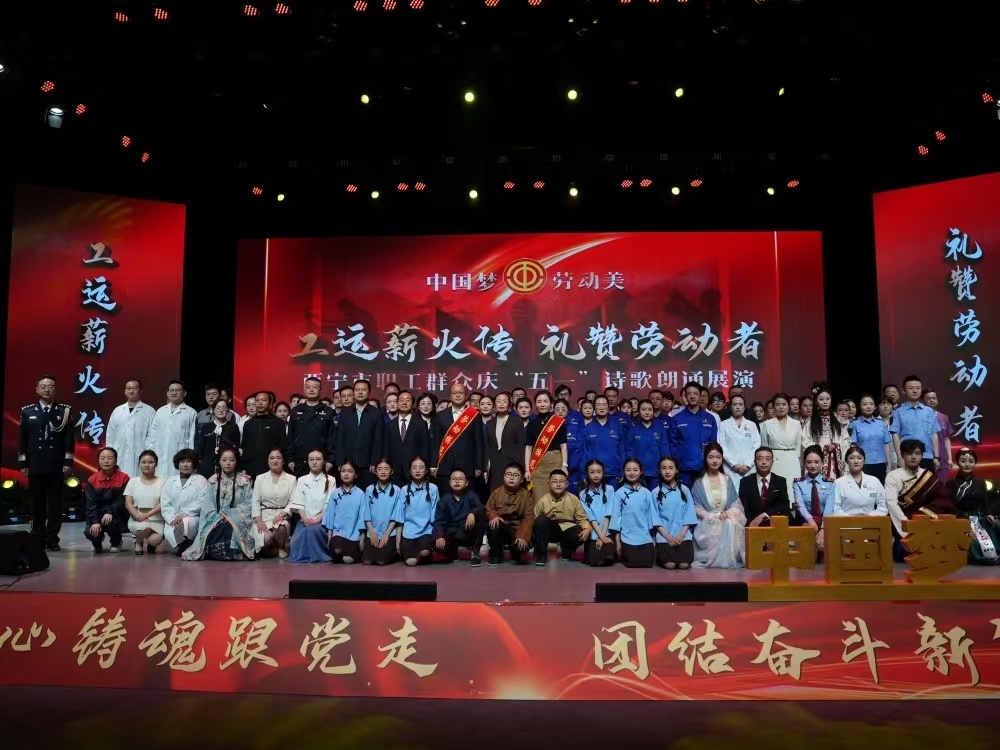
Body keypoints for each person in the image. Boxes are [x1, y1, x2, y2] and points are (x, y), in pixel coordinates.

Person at [18, 375, 75, 552]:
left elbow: (69, 438)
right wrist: (23, 463)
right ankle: (37, 536)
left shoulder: (64, 411)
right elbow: (22, 439)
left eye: (50, 386)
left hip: (56, 463)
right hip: (35, 463)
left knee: (55, 504)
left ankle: (52, 538)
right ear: (37, 390)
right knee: (37, 502)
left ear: (55, 390)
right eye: (43, 386)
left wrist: (68, 461)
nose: (47, 389)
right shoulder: (27, 412)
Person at [182, 446, 256, 561]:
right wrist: (218, 517)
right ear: (219, 462)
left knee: (229, 526)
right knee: (215, 527)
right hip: (215, 519)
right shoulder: (213, 481)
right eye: (224, 460)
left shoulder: (244, 481)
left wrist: (230, 515)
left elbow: (249, 504)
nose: (228, 463)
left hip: (238, 521)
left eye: (232, 460)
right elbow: (207, 506)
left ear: (237, 461)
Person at [884, 439, 957, 555]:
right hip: (901, 522)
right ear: (902, 455)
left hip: (926, 520)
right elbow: (892, 504)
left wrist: (923, 517)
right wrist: (907, 528)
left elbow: (942, 500)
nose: (913, 457)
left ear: (922, 456)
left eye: (917, 453)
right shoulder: (893, 476)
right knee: (903, 550)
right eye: (909, 453)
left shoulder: (928, 476)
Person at [690, 447, 745, 569]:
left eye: (718, 457)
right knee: (716, 527)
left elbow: (735, 503)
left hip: (725, 516)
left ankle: (729, 559)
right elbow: (696, 507)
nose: (715, 461)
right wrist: (712, 516)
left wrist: (728, 513)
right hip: (707, 519)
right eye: (711, 457)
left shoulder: (727, 479)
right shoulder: (699, 482)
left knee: (731, 523)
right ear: (705, 459)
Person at [948, 448, 1000, 564]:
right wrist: (963, 523)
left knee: (996, 525)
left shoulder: (980, 483)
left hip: (979, 518)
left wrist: (989, 513)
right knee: (974, 539)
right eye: (963, 461)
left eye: (971, 461)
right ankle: (986, 557)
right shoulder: (951, 484)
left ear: (975, 463)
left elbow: (986, 502)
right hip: (961, 519)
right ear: (957, 463)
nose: (967, 464)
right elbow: (951, 507)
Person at [611, 458, 665, 568]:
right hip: (627, 538)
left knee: (647, 564)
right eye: (628, 470)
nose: (632, 473)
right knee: (632, 564)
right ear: (624, 472)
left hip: (645, 538)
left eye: (635, 470)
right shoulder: (618, 494)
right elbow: (616, 519)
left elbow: (651, 517)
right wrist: (618, 542)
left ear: (641, 472)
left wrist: (653, 539)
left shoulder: (647, 493)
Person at [531, 469, 590, 565]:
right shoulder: (543, 501)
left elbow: (582, 518)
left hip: (567, 529)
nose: (558, 484)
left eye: (561, 481)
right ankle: (541, 554)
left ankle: (567, 550)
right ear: (549, 484)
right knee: (541, 521)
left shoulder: (573, 499)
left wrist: (587, 528)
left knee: (581, 532)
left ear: (567, 484)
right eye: (554, 482)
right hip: (550, 531)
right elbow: (535, 521)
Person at [288, 450, 337, 563]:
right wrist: (305, 518)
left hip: (323, 520)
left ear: (324, 462)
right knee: (294, 542)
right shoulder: (302, 480)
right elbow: (299, 502)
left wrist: (318, 519)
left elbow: (329, 504)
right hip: (305, 520)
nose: (314, 462)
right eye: (311, 459)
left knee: (312, 531)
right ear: (308, 461)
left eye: (318, 459)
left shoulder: (331, 480)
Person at [335, 380, 384, 490]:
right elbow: (340, 439)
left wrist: (375, 462)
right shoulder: (345, 412)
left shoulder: (376, 413)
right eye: (357, 390)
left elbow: (378, 439)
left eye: (363, 390)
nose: (360, 392)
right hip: (348, 465)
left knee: (368, 494)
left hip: (368, 466)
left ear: (369, 392)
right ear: (354, 392)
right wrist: (340, 462)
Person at [435, 384, 484, 494]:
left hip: (468, 464)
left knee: (467, 498)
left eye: (461, 393)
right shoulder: (440, 415)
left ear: (466, 396)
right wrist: (434, 465)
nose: (458, 395)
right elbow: (436, 442)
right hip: (445, 464)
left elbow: (479, 443)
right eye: (455, 393)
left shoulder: (474, 415)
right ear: (450, 396)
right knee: (445, 498)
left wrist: (479, 466)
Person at [651, 456, 699, 569]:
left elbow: (689, 514)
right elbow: (655, 518)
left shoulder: (685, 490)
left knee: (684, 565)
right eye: (664, 468)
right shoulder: (655, 492)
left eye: (671, 468)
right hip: (664, 536)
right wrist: (668, 537)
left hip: (683, 536)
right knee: (670, 565)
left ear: (676, 470)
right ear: (660, 471)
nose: (667, 471)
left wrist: (681, 535)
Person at [160, 448, 210, 554]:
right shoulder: (170, 481)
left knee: (186, 524)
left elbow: (202, 503)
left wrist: (182, 515)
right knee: (173, 531)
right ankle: (184, 546)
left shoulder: (201, 480)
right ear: (178, 464)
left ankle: (186, 546)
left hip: (193, 517)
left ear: (194, 463)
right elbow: (165, 503)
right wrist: (173, 518)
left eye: (188, 461)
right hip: (173, 519)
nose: (185, 465)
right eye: (182, 462)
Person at [433, 469, 487, 566]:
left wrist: (472, 513)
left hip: (467, 530)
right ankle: (452, 553)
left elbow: (480, 507)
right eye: (454, 479)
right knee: (437, 543)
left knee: (481, 519)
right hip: (452, 533)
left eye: (460, 479)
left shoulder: (471, 495)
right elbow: (439, 521)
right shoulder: (445, 500)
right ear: (449, 482)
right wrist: (440, 536)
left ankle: (475, 554)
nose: (457, 481)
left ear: (466, 483)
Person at [793, 445, 840, 553]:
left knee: (822, 545)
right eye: (809, 462)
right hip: (805, 520)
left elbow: (829, 508)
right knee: (807, 546)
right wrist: (810, 521)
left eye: (816, 462)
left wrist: (823, 528)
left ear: (822, 462)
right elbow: (800, 506)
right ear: (804, 463)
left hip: (825, 521)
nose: (813, 465)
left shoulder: (830, 483)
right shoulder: (798, 483)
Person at [485, 462, 534, 566]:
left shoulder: (526, 495)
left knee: (519, 549)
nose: (511, 478)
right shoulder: (496, 493)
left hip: (517, 529)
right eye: (509, 474)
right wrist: (494, 516)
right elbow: (489, 509)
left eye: (515, 475)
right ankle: (495, 554)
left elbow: (529, 517)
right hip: (501, 527)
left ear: (521, 479)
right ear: (504, 476)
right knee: (493, 524)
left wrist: (522, 535)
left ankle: (515, 552)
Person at [287, 377, 338, 476]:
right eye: (308, 387)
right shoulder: (295, 411)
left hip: (322, 461)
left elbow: (332, 438)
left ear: (321, 390)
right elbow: (290, 438)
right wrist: (290, 459)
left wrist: (330, 460)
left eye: (315, 387)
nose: (311, 390)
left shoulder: (328, 411)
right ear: (304, 390)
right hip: (299, 461)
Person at [890, 375, 941, 474]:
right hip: (907, 457)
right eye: (911, 388)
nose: (915, 391)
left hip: (927, 456)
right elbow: (895, 435)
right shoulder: (897, 412)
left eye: (918, 388)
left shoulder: (929, 411)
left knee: (928, 483)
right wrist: (899, 457)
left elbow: (934, 434)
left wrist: (936, 457)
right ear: (903, 391)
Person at [83, 447, 130, 553]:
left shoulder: (124, 478)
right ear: (98, 460)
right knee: (90, 532)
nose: (106, 461)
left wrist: (110, 512)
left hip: (116, 514)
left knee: (110, 522)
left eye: (110, 458)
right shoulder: (92, 479)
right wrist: (95, 522)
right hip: (98, 513)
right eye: (102, 458)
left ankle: (116, 542)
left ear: (116, 460)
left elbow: (122, 499)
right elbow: (91, 503)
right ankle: (97, 542)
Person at [106, 379, 156, 478]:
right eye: (128, 388)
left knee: (138, 483)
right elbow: (110, 435)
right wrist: (110, 455)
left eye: (134, 388)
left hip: (140, 457)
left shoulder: (149, 411)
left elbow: (153, 436)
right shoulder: (117, 411)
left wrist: (148, 456)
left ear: (141, 391)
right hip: (119, 456)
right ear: (125, 391)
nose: (131, 391)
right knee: (119, 482)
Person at [524, 391, 569, 501]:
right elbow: (528, 447)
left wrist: (564, 466)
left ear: (551, 404)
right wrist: (527, 470)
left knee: (557, 499)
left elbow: (563, 445)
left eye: (545, 401)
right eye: (539, 402)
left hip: (555, 463)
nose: (542, 404)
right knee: (538, 500)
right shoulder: (532, 423)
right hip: (538, 465)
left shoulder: (558, 422)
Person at [147, 380, 198, 478]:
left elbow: (192, 439)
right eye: (171, 390)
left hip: (181, 459)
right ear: (167, 393)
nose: (174, 393)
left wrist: (189, 459)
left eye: (177, 390)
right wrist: (152, 453)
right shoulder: (160, 411)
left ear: (184, 393)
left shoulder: (191, 413)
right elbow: (152, 435)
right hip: (160, 458)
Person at [252, 448, 296, 558]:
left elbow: (293, 501)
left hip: (281, 516)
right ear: (268, 461)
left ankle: (281, 547)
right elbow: (255, 501)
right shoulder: (260, 478)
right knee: (267, 538)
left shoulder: (291, 479)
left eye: (278, 458)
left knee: (281, 528)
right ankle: (272, 549)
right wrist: (259, 521)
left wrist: (282, 514)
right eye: (271, 458)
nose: (275, 461)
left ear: (283, 461)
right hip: (264, 517)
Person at [673, 381, 719, 487]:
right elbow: (673, 443)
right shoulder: (677, 418)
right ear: (685, 396)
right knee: (685, 495)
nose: (692, 396)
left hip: (704, 467)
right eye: (689, 394)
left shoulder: (710, 418)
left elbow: (713, 444)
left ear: (700, 395)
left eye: (695, 393)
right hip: (683, 468)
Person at [739, 447, 799, 528]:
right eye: (760, 459)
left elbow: (784, 506)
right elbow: (744, 508)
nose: (764, 462)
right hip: (753, 524)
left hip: (775, 523)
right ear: (755, 462)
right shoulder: (745, 482)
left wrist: (764, 515)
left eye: (767, 459)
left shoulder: (780, 481)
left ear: (772, 462)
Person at [398, 457, 440, 566]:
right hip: (408, 531)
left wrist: (437, 535)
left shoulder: (433, 488)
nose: (417, 470)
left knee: (425, 551)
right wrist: (398, 540)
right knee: (410, 562)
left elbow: (435, 514)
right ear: (410, 470)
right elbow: (400, 516)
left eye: (421, 467)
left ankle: (426, 552)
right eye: (414, 467)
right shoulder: (404, 490)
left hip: (426, 530)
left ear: (426, 470)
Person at [384, 390, 431, 487]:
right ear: (397, 403)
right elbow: (386, 449)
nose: (404, 403)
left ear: (412, 404)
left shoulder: (420, 424)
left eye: (408, 400)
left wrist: (424, 468)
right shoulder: (389, 425)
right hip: (394, 471)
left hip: (414, 471)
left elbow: (425, 448)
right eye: (401, 400)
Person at [325, 461, 367, 564]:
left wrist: (362, 537)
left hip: (354, 534)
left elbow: (362, 517)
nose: (346, 474)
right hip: (338, 533)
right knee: (337, 549)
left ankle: (349, 555)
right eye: (343, 471)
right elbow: (330, 515)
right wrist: (329, 537)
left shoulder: (361, 494)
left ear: (356, 475)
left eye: (350, 471)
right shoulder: (335, 493)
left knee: (347, 560)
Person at [124, 449, 166, 555]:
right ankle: (138, 541)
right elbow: (128, 503)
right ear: (139, 464)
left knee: (155, 540)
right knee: (144, 528)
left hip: (157, 519)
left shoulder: (163, 482)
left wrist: (148, 514)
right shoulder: (133, 481)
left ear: (156, 464)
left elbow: (163, 503)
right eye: (143, 462)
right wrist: (138, 516)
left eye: (150, 462)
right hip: (137, 518)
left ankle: (151, 545)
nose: (147, 465)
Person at [362, 459, 403, 565]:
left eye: (386, 469)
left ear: (391, 471)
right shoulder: (369, 489)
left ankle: (394, 555)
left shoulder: (397, 490)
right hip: (373, 532)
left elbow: (396, 515)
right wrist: (372, 533)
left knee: (381, 561)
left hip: (389, 532)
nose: (383, 472)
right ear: (375, 472)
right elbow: (366, 514)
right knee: (367, 561)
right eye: (380, 469)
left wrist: (386, 534)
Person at [241, 391, 288, 480]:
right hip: (251, 471)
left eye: (263, 400)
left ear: (270, 403)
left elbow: (283, 447)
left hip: (270, 470)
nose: (260, 403)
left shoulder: (278, 423)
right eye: (257, 400)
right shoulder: (248, 424)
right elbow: (244, 448)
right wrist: (243, 468)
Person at [583, 395, 628, 487]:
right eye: (598, 405)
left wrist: (622, 470)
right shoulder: (588, 428)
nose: (601, 407)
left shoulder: (617, 426)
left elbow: (622, 450)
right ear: (594, 408)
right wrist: (584, 473)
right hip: (594, 473)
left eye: (604, 405)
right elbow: (584, 452)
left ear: (608, 406)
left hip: (613, 472)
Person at [848, 394, 893, 484]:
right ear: (860, 407)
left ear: (875, 406)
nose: (868, 406)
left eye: (871, 404)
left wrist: (889, 464)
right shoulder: (854, 424)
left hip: (880, 463)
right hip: (863, 463)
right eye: (865, 404)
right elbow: (853, 445)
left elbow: (886, 444)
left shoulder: (881, 423)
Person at [580, 459, 617, 567]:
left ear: (603, 473)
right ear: (587, 474)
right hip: (594, 532)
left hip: (607, 531)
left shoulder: (610, 489)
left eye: (599, 472)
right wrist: (599, 536)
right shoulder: (583, 494)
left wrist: (603, 537)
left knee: (608, 557)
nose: (596, 475)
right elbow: (591, 518)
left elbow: (608, 514)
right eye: (592, 472)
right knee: (594, 561)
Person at [759, 393, 803, 483]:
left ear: (788, 406)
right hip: (775, 461)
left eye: (784, 404)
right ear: (774, 407)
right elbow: (764, 447)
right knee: (776, 487)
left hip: (792, 460)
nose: (781, 407)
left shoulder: (796, 423)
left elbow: (798, 445)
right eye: (777, 405)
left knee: (792, 487)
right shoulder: (767, 424)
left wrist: (796, 459)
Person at [833, 446, 888, 517]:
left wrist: (869, 517)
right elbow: (835, 508)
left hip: (871, 521)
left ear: (864, 461)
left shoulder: (874, 481)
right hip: (847, 522)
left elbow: (883, 505)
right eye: (852, 458)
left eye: (859, 458)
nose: (856, 461)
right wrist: (852, 519)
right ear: (846, 461)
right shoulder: (839, 483)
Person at [486, 391, 525, 492]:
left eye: (504, 401)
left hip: (512, 462)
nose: (501, 404)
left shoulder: (516, 422)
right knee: (496, 492)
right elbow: (488, 445)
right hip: (495, 464)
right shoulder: (490, 423)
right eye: (498, 401)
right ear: (495, 405)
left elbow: (521, 445)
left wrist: (521, 466)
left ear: (509, 404)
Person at [194, 399, 241, 478]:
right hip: (208, 465)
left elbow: (236, 447)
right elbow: (200, 447)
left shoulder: (233, 427)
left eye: (224, 407)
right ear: (214, 410)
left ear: (228, 410)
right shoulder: (206, 427)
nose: (221, 410)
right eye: (218, 408)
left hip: (226, 466)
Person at [717, 394, 760, 481]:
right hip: (730, 469)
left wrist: (748, 465)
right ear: (730, 407)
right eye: (735, 404)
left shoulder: (752, 425)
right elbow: (721, 446)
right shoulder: (723, 424)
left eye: (740, 404)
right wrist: (734, 465)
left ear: (744, 408)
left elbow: (756, 446)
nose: (738, 407)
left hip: (750, 469)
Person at [632, 399, 673, 489]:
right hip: (638, 473)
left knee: (656, 496)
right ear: (638, 411)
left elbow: (665, 449)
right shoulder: (634, 429)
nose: (647, 412)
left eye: (650, 410)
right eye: (643, 410)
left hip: (656, 472)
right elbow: (630, 450)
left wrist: (666, 468)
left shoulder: (660, 428)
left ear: (653, 411)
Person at [922, 389, 953, 484]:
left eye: (934, 398)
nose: (932, 400)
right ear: (923, 401)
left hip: (942, 460)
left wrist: (949, 458)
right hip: (925, 459)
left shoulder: (943, 417)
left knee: (942, 487)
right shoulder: (919, 417)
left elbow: (946, 439)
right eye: (928, 398)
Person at [416, 393, 443, 466]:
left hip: (436, 461)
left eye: (429, 403)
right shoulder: (413, 422)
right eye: (423, 403)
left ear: (433, 406)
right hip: (418, 462)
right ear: (418, 406)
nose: (426, 406)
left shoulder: (438, 422)